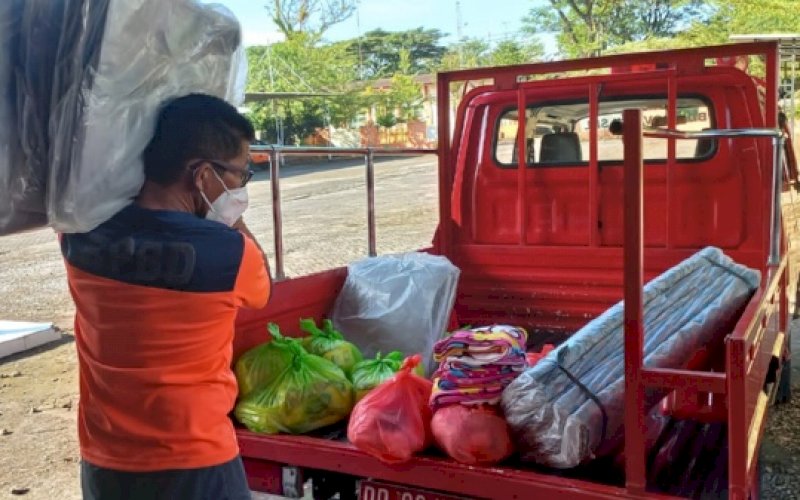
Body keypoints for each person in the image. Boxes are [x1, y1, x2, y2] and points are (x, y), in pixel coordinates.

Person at [60, 93, 271, 500]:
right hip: (197, 461)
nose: (240, 187)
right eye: (239, 176)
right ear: (202, 175)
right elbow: (262, 294)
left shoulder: (79, 235)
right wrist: (231, 216)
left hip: (106, 463)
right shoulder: (231, 254)